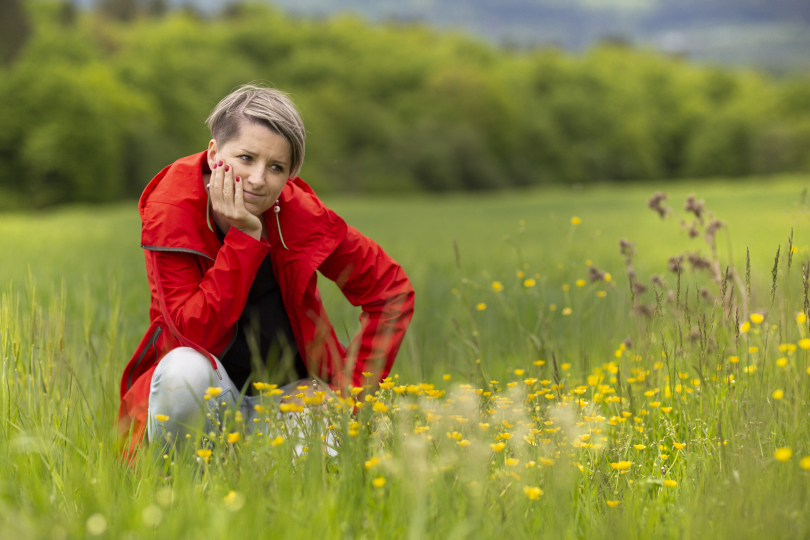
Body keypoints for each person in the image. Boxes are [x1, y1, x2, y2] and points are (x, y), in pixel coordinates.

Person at [117, 84, 415, 455]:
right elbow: (194, 335)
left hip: (292, 397)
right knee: (183, 370)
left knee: (321, 476)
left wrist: (346, 394)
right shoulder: (174, 212)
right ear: (213, 154)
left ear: (290, 174)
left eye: (276, 167)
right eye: (246, 158)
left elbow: (391, 291)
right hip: (210, 397)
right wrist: (245, 238)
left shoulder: (300, 214)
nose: (259, 179)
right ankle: (180, 487)